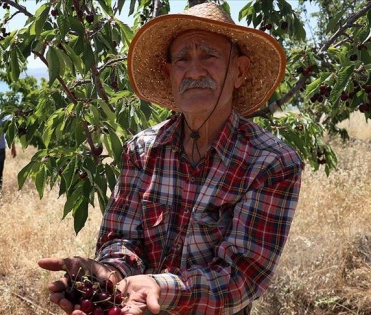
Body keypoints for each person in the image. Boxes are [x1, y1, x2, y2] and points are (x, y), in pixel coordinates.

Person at [38, 3, 303, 315]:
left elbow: (241, 276)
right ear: (169, 73)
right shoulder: (141, 149)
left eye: (209, 55)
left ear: (239, 71)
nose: (193, 70)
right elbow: (123, 238)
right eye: (182, 59)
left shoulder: (271, 162)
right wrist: (109, 273)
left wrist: (159, 287)